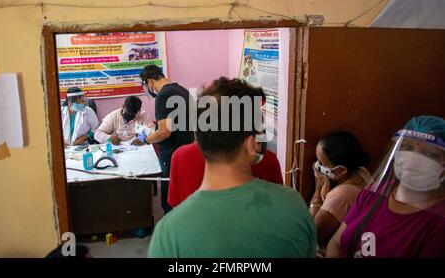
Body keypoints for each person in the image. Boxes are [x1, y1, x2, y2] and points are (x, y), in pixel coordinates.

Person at [148, 77, 316, 258]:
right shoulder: (293, 206)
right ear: (253, 143)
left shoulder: (168, 233)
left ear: (199, 137)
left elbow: (175, 205)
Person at [327, 116, 445, 258]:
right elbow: (336, 244)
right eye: (406, 147)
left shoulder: (439, 220)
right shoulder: (375, 192)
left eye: (428, 153)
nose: (413, 158)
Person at [139, 65, 194, 214]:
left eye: (146, 85)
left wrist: (147, 139)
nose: (148, 89)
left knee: (169, 196)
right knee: (183, 191)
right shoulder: (182, 90)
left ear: (150, 81)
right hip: (187, 147)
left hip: (171, 152)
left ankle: (170, 228)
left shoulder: (163, 96)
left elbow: (164, 132)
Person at [308, 131, 371, 257]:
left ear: (341, 170)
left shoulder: (340, 196)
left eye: (321, 163)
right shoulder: (362, 172)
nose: (316, 166)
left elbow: (313, 237)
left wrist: (317, 190)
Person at [168, 141, 283, 208]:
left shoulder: (181, 156)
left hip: (192, 243)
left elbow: (175, 207)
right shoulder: (266, 159)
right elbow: (278, 208)